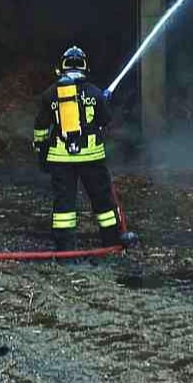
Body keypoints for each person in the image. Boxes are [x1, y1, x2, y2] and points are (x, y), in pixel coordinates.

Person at [33, 46, 127, 251]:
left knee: (64, 207)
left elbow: (40, 127)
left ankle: (65, 249)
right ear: (85, 66)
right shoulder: (94, 93)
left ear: (62, 67)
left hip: (61, 160)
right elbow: (105, 122)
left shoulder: (50, 94)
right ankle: (111, 242)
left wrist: (41, 153)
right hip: (91, 159)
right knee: (102, 202)